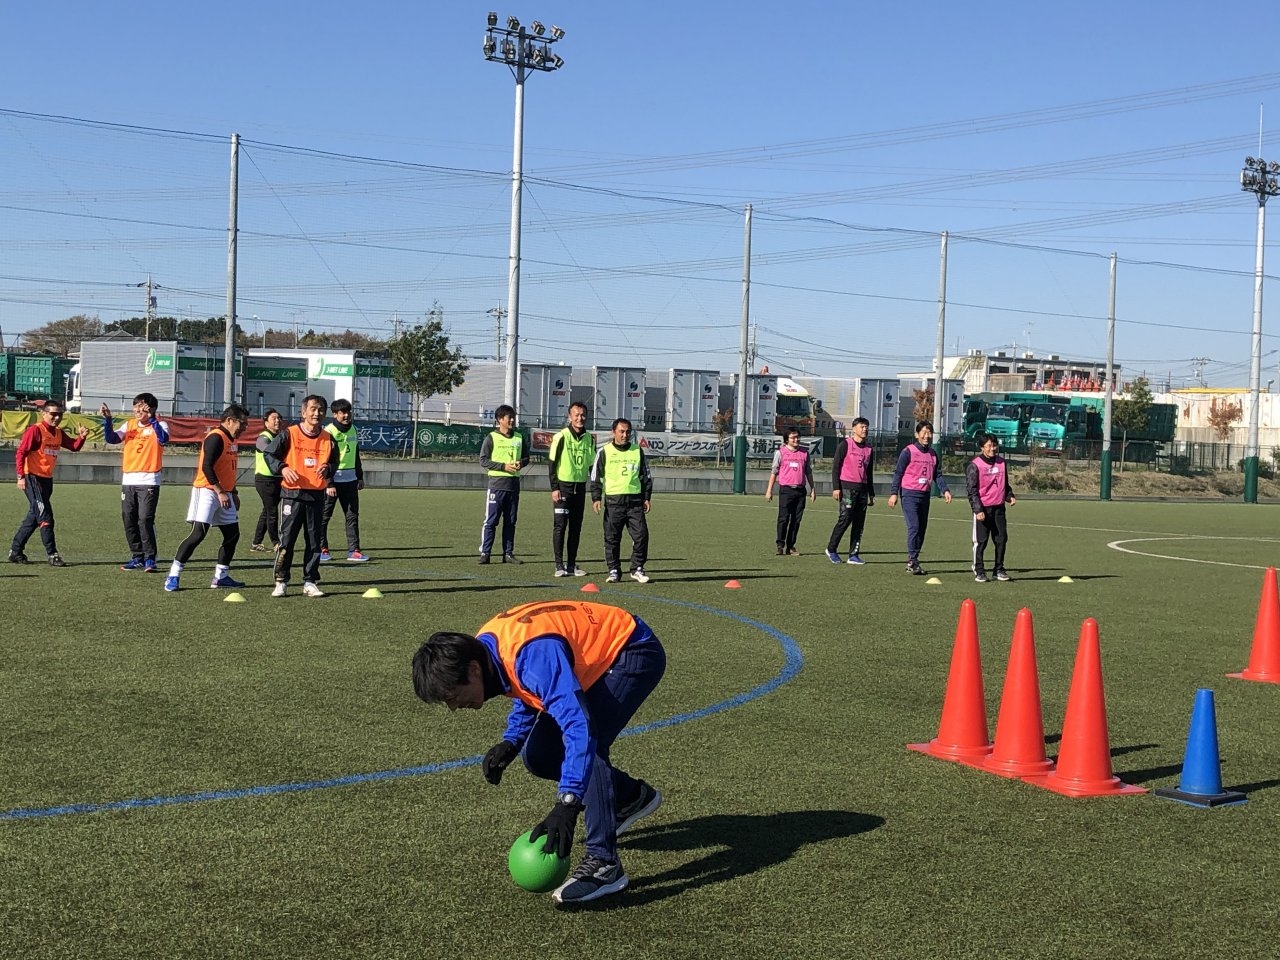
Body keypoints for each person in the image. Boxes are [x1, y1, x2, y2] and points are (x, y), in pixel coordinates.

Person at [411, 600, 665, 905]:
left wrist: (568, 804)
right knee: (541, 755)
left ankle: (604, 863)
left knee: (589, 746)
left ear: (474, 669)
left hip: (632, 650)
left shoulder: (529, 654)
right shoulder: (488, 648)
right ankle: (630, 797)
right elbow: (529, 687)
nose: (453, 707)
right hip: (599, 655)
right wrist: (512, 740)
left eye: (452, 696)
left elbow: (578, 726)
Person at [163, 405, 250, 592]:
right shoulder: (216, 437)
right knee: (198, 534)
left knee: (232, 535)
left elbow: (227, 469)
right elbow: (207, 467)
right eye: (242, 423)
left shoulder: (231, 439)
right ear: (229, 421)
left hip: (225, 493)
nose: (245, 428)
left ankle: (221, 577)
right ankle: (173, 575)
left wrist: (233, 492)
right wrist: (219, 491)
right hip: (207, 491)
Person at [261, 395, 338, 598]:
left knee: (314, 541)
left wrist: (327, 468)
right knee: (287, 540)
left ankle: (310, 581)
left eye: (320, 409)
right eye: (312, 409)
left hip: (316, 495)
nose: (316, 413)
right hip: (292, 494)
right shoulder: (289, 434)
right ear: (303, 412)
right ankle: (281, 581)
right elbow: (269, 454)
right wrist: (283, 468)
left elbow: (334, 462)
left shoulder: (328, 438)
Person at [9, 399, 88, 567]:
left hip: (46, 480)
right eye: (53, 414)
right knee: (45, 516)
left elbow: (74, 447)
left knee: (34, 517)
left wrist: (81, 437)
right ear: (43, 414)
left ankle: (15, 551)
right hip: (32, 478)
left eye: (60, 414)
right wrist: (20, 476)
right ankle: (53, 554)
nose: (57, 417)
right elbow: (21, 452)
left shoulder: (58, 433)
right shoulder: (35, 431)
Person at [102, 393, 169, 573]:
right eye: (136, 406)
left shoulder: (160, 424)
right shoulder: (129, 424)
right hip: (129, 479)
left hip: (149, 479)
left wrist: (153, 419)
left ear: (152, 409)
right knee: (128, 518)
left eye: (142, 406)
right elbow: (112, 439)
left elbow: (164, 439)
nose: (138, 410)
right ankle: (137, 556)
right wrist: (107, 420)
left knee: (145, 518)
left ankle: (150, 558)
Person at [589, 418, 653, 584]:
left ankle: (637, 568)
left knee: (642, 536)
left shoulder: (637, 451)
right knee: (612, 538)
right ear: (613, 432)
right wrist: (596, 498)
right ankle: (614, 571)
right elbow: (595, 477)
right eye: (621, 431)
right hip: (613, 502)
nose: (625, 435)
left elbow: (646, 476)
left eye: (627, 432)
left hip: (635, 503)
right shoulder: (604, 452)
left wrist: (647, 497)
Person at [887, 421, 952, 576]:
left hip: (925, 495)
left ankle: (914, 559)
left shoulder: (933, 454)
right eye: (923, 432)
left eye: (929, 432)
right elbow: (898, 473)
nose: (926, 435)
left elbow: (937, 474)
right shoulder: (908, 452)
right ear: (916, 434)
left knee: (921, 530)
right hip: (909, 494)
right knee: (914, 527)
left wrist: (945, 490)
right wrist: (894, 493)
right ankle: (912, 561)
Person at [477, 404, 528, 565]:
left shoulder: (519, 437)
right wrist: (503, 466)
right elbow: (483, 460)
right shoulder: (491, 437)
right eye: (509, 417)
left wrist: (521, 463)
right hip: (496, 485)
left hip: (513, 486)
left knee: (511, 521)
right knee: (491, 521)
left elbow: (527, 457)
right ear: (500, 420)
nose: (512, 420)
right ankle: (485, 553)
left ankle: (508, 554)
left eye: (513, 417)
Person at [548, 401, 594, 577]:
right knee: (560, 526)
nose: (580, 418)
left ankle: (571, 565)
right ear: (570, 416)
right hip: (563, 488)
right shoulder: (561, 436)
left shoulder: (589, 438)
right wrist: (554, 487)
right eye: (576, 415)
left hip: (580, 488)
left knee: (576, 528)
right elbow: (552, 463)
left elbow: (591, 465)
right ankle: (559, 565)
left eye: (583, 415)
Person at [320, 398, 368, 562]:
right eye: (342, 412)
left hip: (350, 481)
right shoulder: (329, 432)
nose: (346, 415)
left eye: (348, 412)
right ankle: (322, 549)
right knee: (324, 517)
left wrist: (359, 476)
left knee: (352, 516)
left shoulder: (353, 429)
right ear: (335, 414)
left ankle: (354, 550)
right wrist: (329, 482)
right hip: (333, 482)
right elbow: (324, 459)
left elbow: (355, 454)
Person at [966, 433, 1016, 583]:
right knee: (981, 541)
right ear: (982, 448)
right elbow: (972, 490)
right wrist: (978, 510)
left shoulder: (1002, 463)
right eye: (989, 446)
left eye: (994, 445)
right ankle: (979, 570)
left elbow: (1004, 484)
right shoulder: (975, 465)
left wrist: (1009, 496)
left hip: (998, 508)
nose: (992, 449)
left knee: (1001, 539)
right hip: (983, 509)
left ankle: (999, 569)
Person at [825, 416, 875, 565]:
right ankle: (831, 549)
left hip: (862, 490)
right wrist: (836, 488)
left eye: (866, 427)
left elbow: (869, 472)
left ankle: (853, 554)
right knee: (845, 519)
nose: (865, 429)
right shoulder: (845, 445)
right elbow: (836, 467)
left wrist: (871, 493)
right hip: (847, 488)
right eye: (862, 426)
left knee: (859, 523)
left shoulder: (869, 449)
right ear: (854, 429)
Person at [763, 428, 815, 556]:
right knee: (783, 518)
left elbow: (808, 472)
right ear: (787, 440)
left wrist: (812, 489)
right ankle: (780, 545)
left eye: (797, 437)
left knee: (796, 520)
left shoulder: (804, 453)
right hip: (786, 490)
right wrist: (769, 490)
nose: (796, 440)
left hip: (800, 491)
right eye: (793, 437)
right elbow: (774, 472)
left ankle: (791, 546)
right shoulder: (780, 453)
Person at [250, 409, 284, 553]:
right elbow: (269, 451)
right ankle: (276, 542)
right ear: (266, 422)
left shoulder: (280, 436)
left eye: (279, 418)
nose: (277, 420)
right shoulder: (263, 437)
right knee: (272, 512)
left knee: (267, 511)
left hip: (276, 479)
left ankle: (256, 543)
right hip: (265, 480)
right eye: (274, 418)